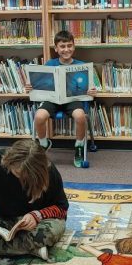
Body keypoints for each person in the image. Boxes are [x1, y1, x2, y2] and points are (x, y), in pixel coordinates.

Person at [27, 29, 97, 168]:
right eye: (62, 46)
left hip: (73, 100)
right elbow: (41, 85)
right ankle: (43, 143)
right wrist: (31, 88)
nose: (66, 49)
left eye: (69, 46)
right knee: (39, 117)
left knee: (80, 116)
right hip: (51, 100)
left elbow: (91, 88)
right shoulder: (49, 64)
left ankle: (78, 147)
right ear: (56, 49)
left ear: (74, 46)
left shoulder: (81, 66)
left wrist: (92, 91)